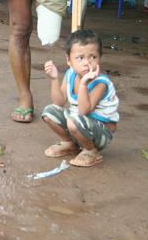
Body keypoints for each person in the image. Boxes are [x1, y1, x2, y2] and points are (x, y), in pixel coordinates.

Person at [42, 29, 119, 167]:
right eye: (80, 58)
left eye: (93, 57)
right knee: (49, 112)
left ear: (99, 58)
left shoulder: (101, 83)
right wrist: (54, 79)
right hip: (79, 124)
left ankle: (91, 150)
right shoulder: (70, 74)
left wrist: (83, 83)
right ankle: (71, 144)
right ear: (68, 60)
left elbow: (84, 111)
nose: (87, 62)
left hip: (101, 133)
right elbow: (59, 102)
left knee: (73, 121)